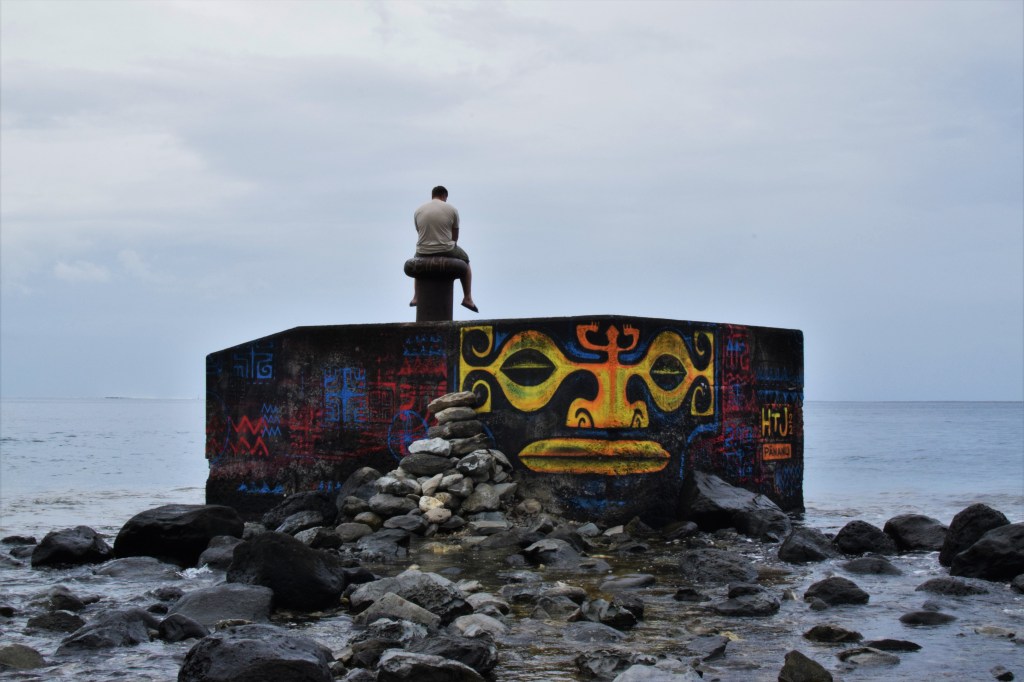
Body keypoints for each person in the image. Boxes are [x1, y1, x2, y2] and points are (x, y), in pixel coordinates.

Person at [410, 185, 478, 312]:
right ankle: (468, 298)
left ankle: (416, 297)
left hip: (422, 250)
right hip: (445, 248)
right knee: (466, 261)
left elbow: (419, 231)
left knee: (417, 263)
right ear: (444, 196)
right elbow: (455, 237)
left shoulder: (418, 210)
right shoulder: (451, 209)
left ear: (432, 195)